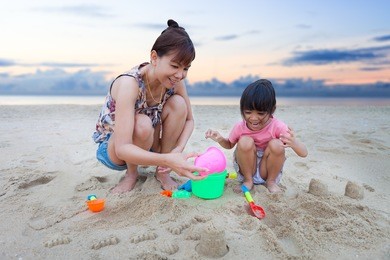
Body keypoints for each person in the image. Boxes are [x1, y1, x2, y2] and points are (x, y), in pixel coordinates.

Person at [92, 19, 206, 193]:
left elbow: (189, 120)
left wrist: (176, 151)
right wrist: (168, 159)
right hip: (115, 148)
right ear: (154, 58)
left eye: (186, 68)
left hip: (148, 141)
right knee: (143, 123)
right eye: (175, 66)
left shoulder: (176, 81)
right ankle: (131, 175)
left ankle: (163, 172)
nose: (180, 74)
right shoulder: (130, 83)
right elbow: (122, 148)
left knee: (178, 103)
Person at [205, 79, 307, 193]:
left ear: (272, 110)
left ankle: (271, 182)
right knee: (244, 141)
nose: (253, 118)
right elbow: (229, 144)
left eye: (261, 113)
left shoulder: (278, 126)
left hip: (267, 168)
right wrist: (220, 139)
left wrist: (294, 144)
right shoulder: (240, 127)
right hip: (247, 166)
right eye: (248, 112)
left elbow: (304, 153)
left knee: (277, 144)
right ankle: (248, 181)